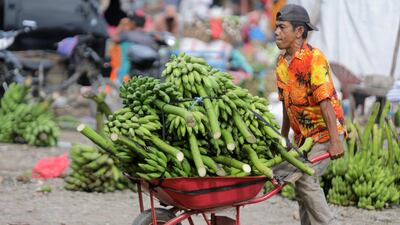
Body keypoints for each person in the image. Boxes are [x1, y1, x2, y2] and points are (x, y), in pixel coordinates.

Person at [273, 4, 345, 225]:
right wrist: (284, 137)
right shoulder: (281, 63)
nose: (276, 32)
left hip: (324, 134)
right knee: (302, 188)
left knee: (305, 177)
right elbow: (287, 105)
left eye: (282, 27)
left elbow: (325, 103)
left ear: (298, 32)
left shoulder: (314, 59)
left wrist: (335, 141)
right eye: (276, 27)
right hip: (303, 139)